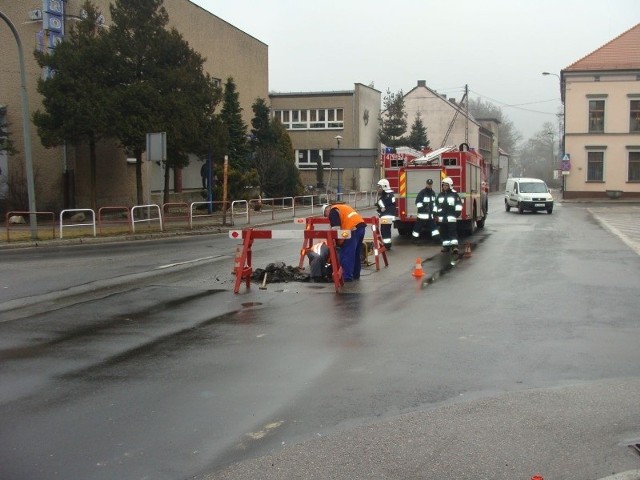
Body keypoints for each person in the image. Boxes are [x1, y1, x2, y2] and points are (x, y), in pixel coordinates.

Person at [322, 203, 367, 282]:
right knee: (355, 253)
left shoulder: (333, 212)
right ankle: (356, 274)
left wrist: (337, 243)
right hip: (361, 227)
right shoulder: (342, 207)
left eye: (326, 215)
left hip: (352, 230)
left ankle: (346, 277)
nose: (328, 217)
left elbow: (336, 230)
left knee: (346, 253)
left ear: (326, 210)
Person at [435, 177, 463, 254]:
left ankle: (454, 247)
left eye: (446, 185)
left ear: (450, 186)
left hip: (451, 218)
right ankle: (446, 247)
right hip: (442, 218)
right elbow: (436, 205)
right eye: (443, 185)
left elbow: (458, 205)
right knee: (443, 232)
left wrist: (457, 214)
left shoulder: (454, 194)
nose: (444, 187)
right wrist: (435, 214)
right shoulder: (440, 195)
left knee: (452, 232)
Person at [411, 178, 439, 244]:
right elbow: (417, 203)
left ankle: (437, 239)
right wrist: (423, 208)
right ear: (426, 184)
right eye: (428, 184)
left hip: (430, 216)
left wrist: (435, 212)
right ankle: (414, 239)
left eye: (430, 184)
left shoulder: (433, 193)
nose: (429, 185)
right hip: (422, 216)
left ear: (432, 184)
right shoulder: (422, 193)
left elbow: (435, 204)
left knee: (434, 229)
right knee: (417, 229)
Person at [375, 178, 396, 250]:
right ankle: (387, 244)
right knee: (386, 230)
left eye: (380, 187)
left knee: (385, 230)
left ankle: (387, 245)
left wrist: (380, 206)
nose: (378, 189)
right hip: (387, 216)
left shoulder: (387, 195)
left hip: (386, 216)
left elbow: (383, 206)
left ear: (384, 186)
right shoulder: (388, 194)